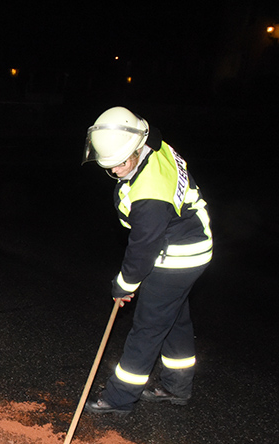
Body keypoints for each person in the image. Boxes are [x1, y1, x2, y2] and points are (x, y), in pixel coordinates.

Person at [81, 107, 213, 415]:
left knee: (147, 328)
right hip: (194, 244)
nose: (115, 171)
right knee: (174, 317)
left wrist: (123, 285)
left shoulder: (150, 196)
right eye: (109, 166)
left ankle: (118, 398)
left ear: (137, 149)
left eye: (120, 163)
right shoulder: (152, 143)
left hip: (177, 256)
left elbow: (142, 250)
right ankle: (175, 387)